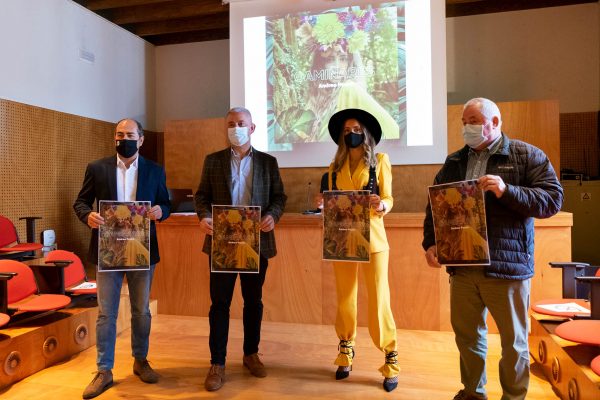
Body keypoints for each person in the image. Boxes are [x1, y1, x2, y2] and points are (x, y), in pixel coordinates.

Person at [422, 98, 563, 400]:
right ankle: (473, 392)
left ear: (495, 122)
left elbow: (552, 200)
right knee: (468, 337)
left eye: (473, 121)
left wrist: (506, 190)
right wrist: (431, 242)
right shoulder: (454, 161)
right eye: (464, 122)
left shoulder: (526, 155)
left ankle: (513, 396)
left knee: (514, 342)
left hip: (506, 267)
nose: (467, 128)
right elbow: (435, 206)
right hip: (463, 266)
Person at [74, 118, 171, 399]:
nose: (124, 139)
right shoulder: (97, 168)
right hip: (108, 250)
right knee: (107, 312)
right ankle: (104, 370)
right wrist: (87, 215)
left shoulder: (155, 170)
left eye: (130, 135)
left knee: (141, 310)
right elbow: (81, 202)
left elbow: (166, 203)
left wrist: (160, 212)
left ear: (141, 139)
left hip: (142, 249)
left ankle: (141, 361)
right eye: (120, 134)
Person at [194, 107, 287, 392]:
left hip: (256, 244)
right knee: (219, 304)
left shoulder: (268, 162)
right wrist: (204, 217)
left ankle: (251, 354)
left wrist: (272, 215)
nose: (236, 128)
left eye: (241, 123)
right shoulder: (213, 161)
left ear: (252, 127)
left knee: (253, 302)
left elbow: (279, 197)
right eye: (231, 124)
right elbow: (201, 196)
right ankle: (217, 363)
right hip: (222, 244)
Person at [322, 108, 399, 392]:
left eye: (356, 130)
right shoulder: (334, 168)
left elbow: (388, 198)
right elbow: (333, 201)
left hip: (374, 239)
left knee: (379, 298)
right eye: (346, 131)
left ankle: (390, 356)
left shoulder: (380, 161)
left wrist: (382, 205)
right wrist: (323, 204)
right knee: (345, 297)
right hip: (342, 238)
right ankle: (346, 349)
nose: (351, 134)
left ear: (365, 133)